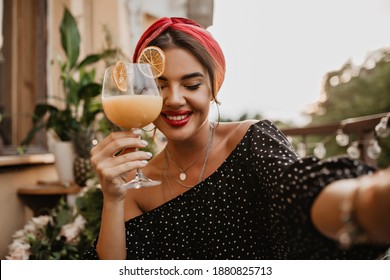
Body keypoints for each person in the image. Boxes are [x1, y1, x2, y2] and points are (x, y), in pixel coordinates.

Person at [82, 17, 390, 260]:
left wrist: (363, 202)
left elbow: (299, 191)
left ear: (214, 86)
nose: (174, 99)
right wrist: (113, 198)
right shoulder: (137, 185)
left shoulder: (251, 140)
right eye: (160, 86)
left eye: (191, 85)